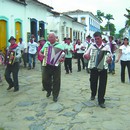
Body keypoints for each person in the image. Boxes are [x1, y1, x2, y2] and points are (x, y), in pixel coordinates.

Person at [83, 32, 112, 108]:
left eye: (98, 39)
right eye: (95, 39)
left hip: (103, 68)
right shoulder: (92, 46)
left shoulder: (106, 47)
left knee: (103, 84)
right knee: (93, 82)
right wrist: (87, 56)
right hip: (94, 68)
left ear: (101, 38)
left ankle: (101, 100)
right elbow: (85, 54)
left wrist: (109, 59)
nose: (97, 40)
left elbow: (110, 56)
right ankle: (93, 93)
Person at [39, 33, 64, 102]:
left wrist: (62, 59)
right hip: (46, 64)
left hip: (56, 65)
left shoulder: (59, 46)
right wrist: (41, 55)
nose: (50, 39)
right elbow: (40, 52)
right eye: (49, 37)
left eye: (52, 37)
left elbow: (62, 55)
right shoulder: (46, 44)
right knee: (45, 80)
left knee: (56, 80)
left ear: (55, 38)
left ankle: (55, 95)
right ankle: (49, 90)